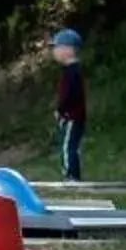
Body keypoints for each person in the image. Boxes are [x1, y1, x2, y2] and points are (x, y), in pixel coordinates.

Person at [50, 28, 88, 182]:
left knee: (68, 147)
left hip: (72, 116)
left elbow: (70, 95)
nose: (54, 51)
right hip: (71, 115)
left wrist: (61, 110)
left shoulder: (72, 72)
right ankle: (72, 174)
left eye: (57, 47)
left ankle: (71, 175)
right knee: (70, 146)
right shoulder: (69, 71)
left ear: (68, 50)